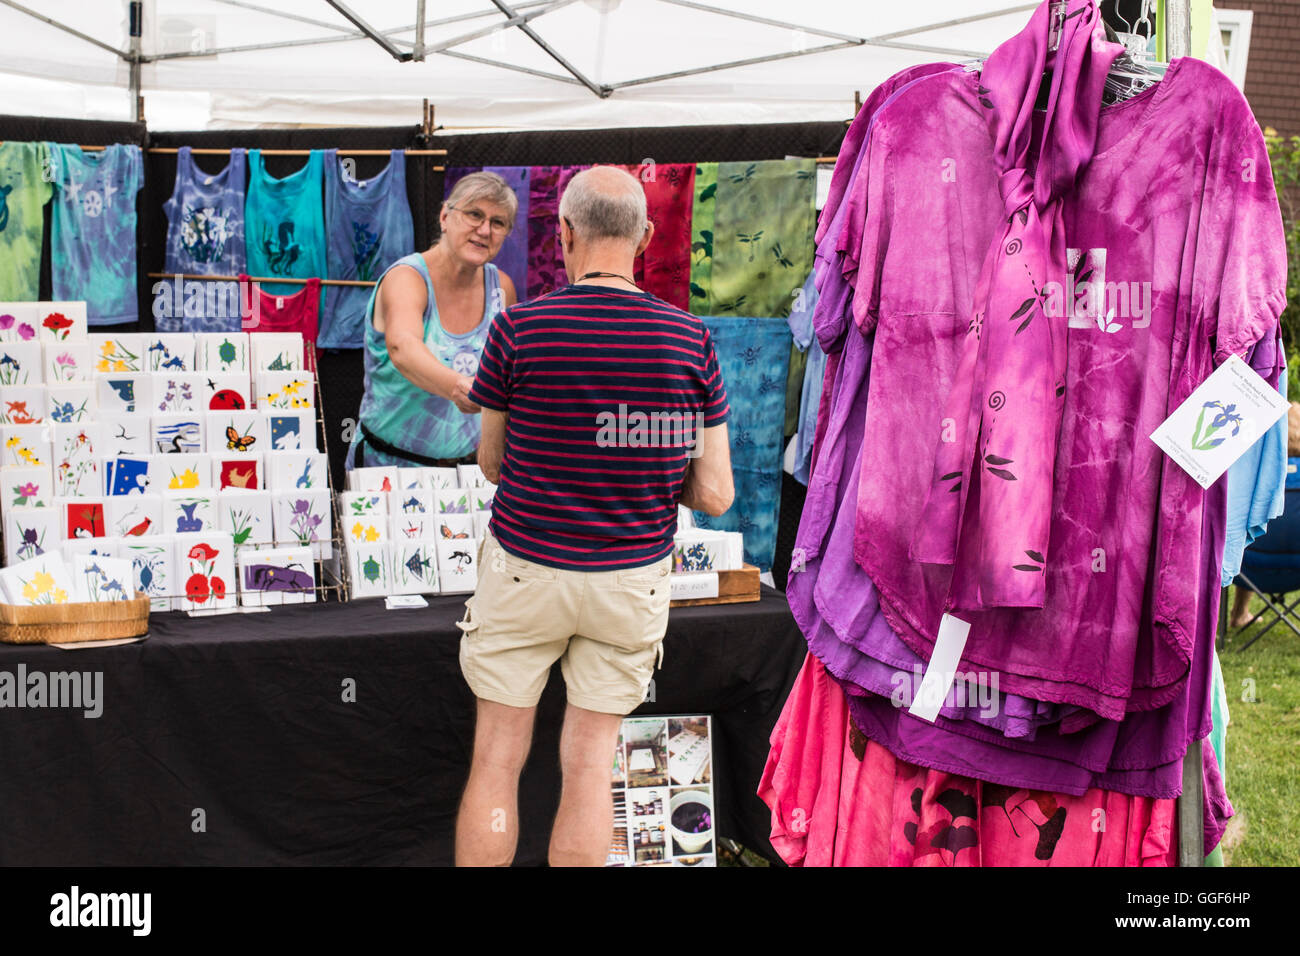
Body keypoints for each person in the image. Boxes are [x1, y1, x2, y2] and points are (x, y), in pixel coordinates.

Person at [454, 165, 734, 866]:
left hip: (526, 570)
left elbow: (492, 463)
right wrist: (643, 470)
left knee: (496, 760)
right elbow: (716, 493)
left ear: (566, 232)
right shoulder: (690, 339)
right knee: (589, 767)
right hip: (629, 581)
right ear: (643, 237)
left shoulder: (518, 329)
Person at [345, 171, 519, 470]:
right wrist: (457, 387)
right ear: (444, 217)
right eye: (474, 215)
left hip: (468, 477)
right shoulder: (407, 278)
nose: (485, 229)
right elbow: (403, 348)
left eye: (498, 222)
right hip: (388, 469)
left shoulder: (501, 289)